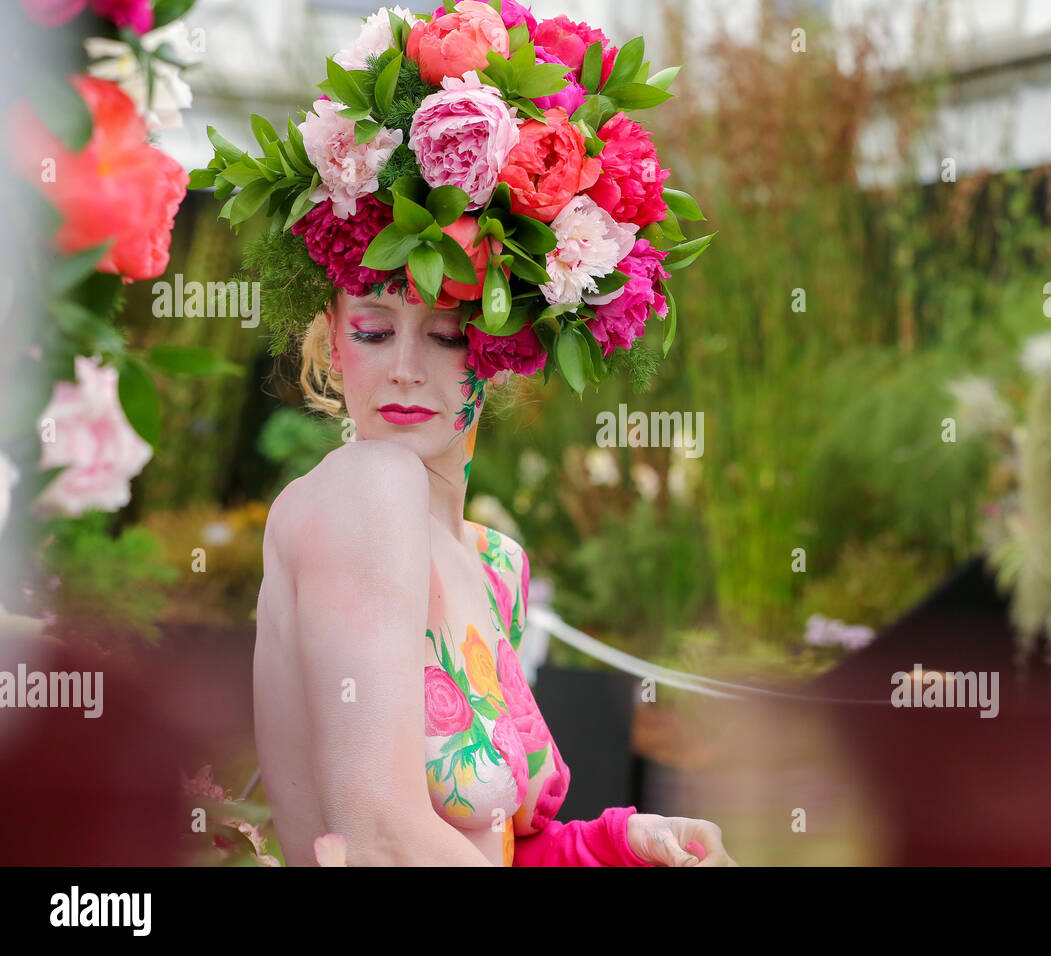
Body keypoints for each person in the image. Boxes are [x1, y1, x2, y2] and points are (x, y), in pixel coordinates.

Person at [253, 287, 737, 866]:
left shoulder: (497, 564)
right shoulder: (366, 488)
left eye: (448, 335)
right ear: (333, 339)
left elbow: (492, 849)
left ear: (504, 350)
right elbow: (377, 843)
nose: (405, 370)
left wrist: (612, 846)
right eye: (373, 332)